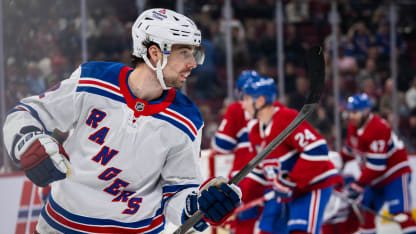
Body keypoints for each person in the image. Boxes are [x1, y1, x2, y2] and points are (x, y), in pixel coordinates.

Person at [2, 8, 241, 233]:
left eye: (195, 53)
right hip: (62, 227)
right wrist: (27, 140)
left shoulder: (187, 118)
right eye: (184, 53)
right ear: (155, 53)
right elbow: (26, 112)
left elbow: (178, 191)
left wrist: (197, 206)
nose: (193, 63)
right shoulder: (93, 81)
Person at [240, 76, 342, 234]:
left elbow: (318, 150)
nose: (243, 104)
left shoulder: (286, 119)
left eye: (246, 99)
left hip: (312, 187)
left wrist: (290, 181)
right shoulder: (255, 132)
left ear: (260, 100)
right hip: (286, 192)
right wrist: (239, 197)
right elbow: (260, 174)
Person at [341, 93, 416, 234]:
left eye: (355, 112)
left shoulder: (378, 128)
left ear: (366, 111)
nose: (351, 116)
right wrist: (333, 165)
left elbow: (377, 166)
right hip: (375, 180)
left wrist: (357, 185)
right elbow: (349, 151)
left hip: (395, 175)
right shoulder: (354, 126)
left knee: (401, 214)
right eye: (350, 112)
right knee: (365, 213)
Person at [211, 69, 260, 234]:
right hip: (270, 176)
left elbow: (222, 145)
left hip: (244, 176)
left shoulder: (237, 108)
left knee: (244, 222)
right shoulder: (273, 108)